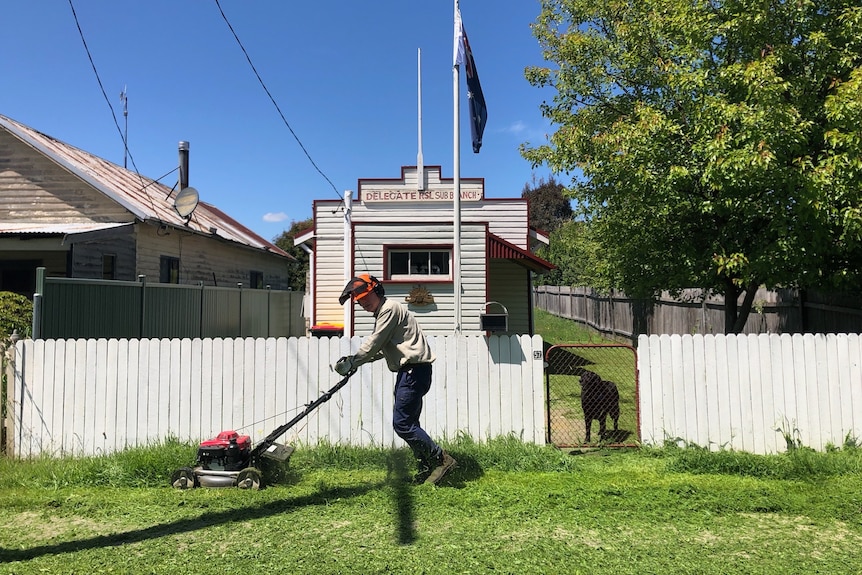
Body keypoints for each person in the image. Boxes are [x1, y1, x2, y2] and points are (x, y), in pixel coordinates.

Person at [334, 273, 456, 485]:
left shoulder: (389, 309)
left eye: (365, 297)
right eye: (359, 300)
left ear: (377, 291)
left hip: (413, 371)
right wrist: (358, 362)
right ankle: (426, 466)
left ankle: (441, 460)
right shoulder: (386, 311)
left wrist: (353, 361)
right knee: (410, 422)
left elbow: (374, 343)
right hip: (411, 372)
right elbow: (383, 348)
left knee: (402, 424)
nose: (362, 303)